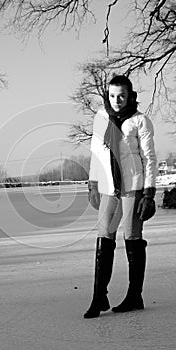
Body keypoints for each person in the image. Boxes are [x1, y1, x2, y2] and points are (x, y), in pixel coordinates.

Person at [84, 75, 157, 319]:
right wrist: (93, 184)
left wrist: (149, 192)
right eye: (113, 95)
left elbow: (149, 158)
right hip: (108, 186)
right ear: (108, 95)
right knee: (104, 235)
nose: (117, 100)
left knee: (132, 236)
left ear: (130, 96)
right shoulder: (101, 118)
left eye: (122, 96)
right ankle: (98, 297)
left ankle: (135, 295)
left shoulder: (139, 121)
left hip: (133, 186)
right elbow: (96, 154)